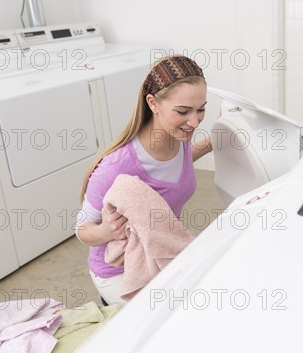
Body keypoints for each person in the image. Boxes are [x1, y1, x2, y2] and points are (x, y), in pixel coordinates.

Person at [76, 55, 211, 305]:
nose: (194, 122)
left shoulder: (178, 137)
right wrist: (107, 230)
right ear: (153, 103)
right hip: (118, 271)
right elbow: (82, 230)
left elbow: (173, 167)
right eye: (183, 111)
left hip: (156, 252)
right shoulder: (116, 167)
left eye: (201, 109)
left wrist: (213, 143)